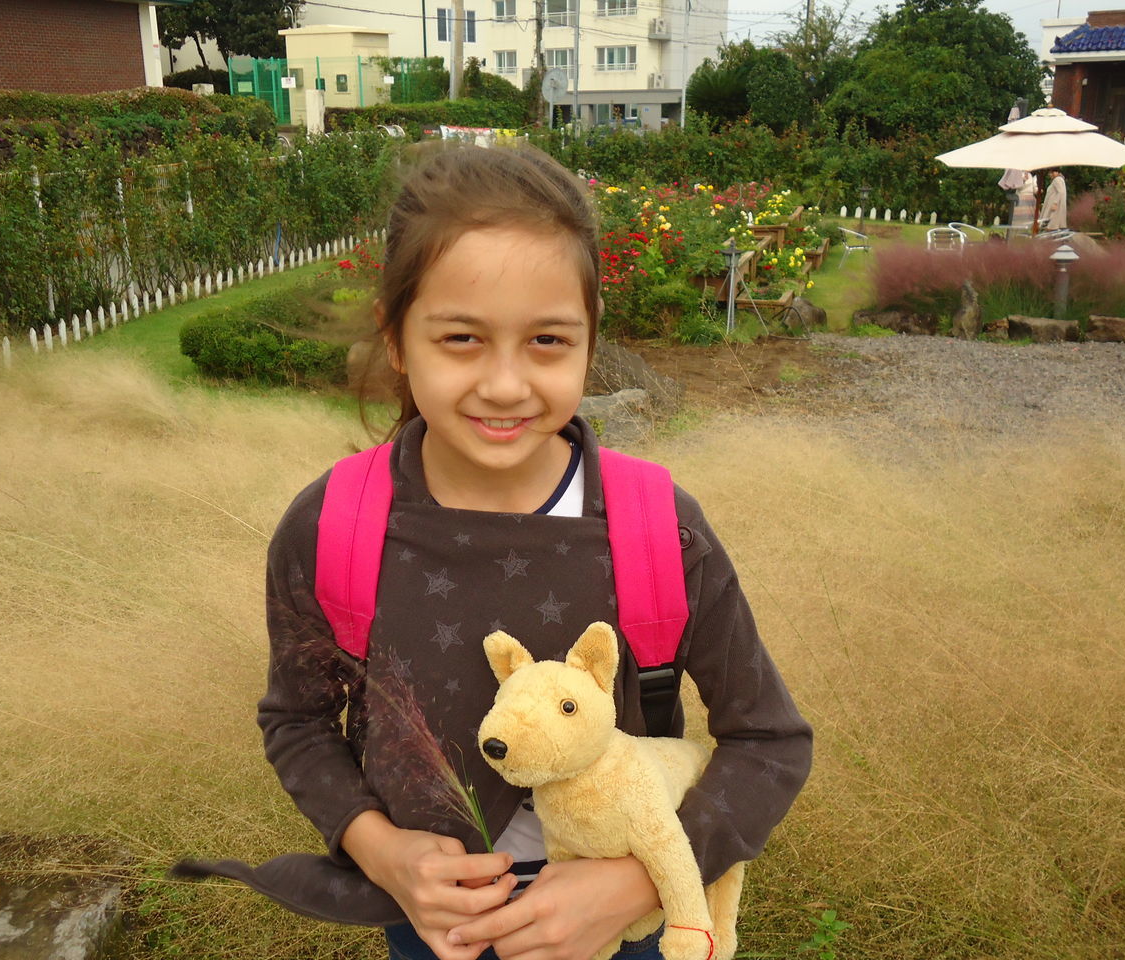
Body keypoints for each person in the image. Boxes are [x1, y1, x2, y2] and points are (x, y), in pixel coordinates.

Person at [258, 144, 813, 960]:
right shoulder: (332, 528)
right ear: (399, 338)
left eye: (548, 340)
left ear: (592, 338)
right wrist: (384, 851)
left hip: (622, 929)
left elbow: (770, 742)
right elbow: (298, 722)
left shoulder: (660, 530)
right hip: (428, 925)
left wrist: (636, 879)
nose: (508, 385)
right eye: (462, 338)